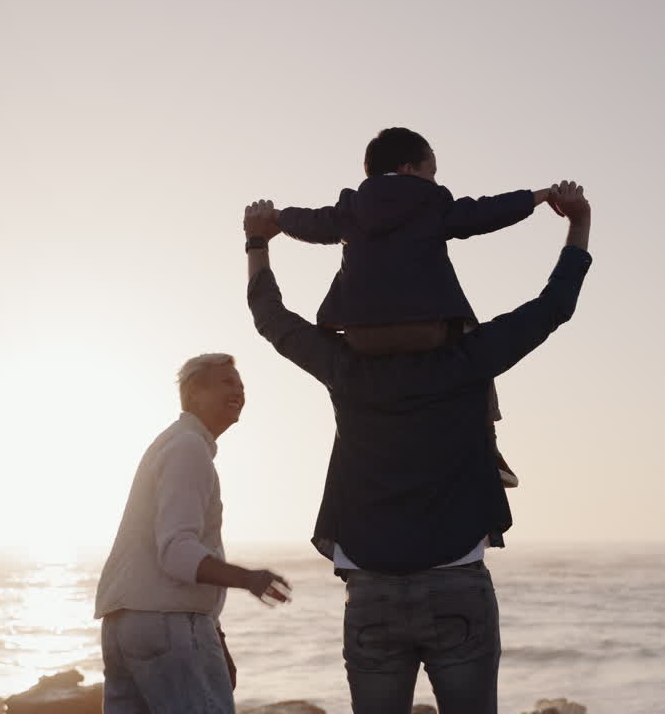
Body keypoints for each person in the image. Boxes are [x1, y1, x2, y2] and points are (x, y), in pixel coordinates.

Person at [243, 181, 593, 714]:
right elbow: (554, 306)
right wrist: (577, 226)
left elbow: (271, 318)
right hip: (455, 576)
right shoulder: (467, 360)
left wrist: (258, 243)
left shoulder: (346, 367)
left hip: (370, 585)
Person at [267, 126, 563, 487]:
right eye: (432, 172)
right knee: (479, 355)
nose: (435, 181)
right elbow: (482, 214)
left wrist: (277, 218)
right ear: (409, 169)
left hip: (360, 336)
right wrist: (539, 197)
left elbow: (311, 223)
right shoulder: (431, 203)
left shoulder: (351, 209)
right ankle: (488, 446)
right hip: (428, 330)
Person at [95, 353, 291, 713]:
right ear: (193, 393)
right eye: (226, 382)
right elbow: (176, 551)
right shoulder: (188, 448)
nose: (239, 391)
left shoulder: (169, 444)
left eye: (241, 384)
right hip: (169, 622)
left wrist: (214, 635)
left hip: (123, 626)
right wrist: (249, 579)